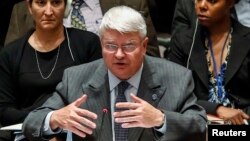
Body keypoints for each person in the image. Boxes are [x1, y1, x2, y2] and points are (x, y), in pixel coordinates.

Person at [22, 5, 207, 141]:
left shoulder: (177, 78)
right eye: (110, 46)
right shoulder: (76, 78)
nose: (119, 54)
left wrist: (161, 119)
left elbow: (200, 127)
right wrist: (55, 118)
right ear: (102, 45)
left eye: (128, 46)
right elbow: (31, 123)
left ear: (144, 46)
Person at [0, 0, 102, 140]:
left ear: (65, 7)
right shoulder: (10, 54)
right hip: (26, 133)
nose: (48, 11)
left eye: (55, 3)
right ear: (30, 7)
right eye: (41, 3)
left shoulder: (88, 44)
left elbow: (99, 98)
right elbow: (4, 111)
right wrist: (50, 120)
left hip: (78, 132)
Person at [168, 0, 250, 125]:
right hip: (198, 122)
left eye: (212, 1)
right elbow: (174, 94)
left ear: (230, 3)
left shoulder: (247, 40)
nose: (201, 6)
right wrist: (216, 108)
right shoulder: (183, 40)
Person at [4, 0, 160, 57]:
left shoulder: (131, 2)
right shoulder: (24, 10)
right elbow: (10, 64)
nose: (49, 10)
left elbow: (150, 55)